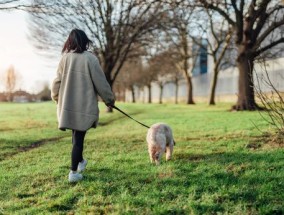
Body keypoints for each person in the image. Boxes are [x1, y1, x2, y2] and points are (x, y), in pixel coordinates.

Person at [51, 29, 115, 183]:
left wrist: (56, 98)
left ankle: (80, 162)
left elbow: (56, 83)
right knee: (78, 139)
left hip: (67, 106)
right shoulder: (90, 59)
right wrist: (109, 99)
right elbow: (101, 82)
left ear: (69, 42)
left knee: (76, 137)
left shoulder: (64, 59)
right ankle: (73, 172)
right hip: (84, 107)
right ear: (85, 41)